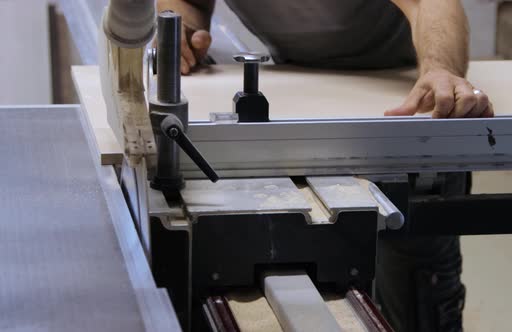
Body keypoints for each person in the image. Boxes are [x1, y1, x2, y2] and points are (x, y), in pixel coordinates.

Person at [157, 0, 494, 331]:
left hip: (409, 104)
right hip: (306, 99)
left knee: (420, 299)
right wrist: (183, 32)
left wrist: (439, 69)